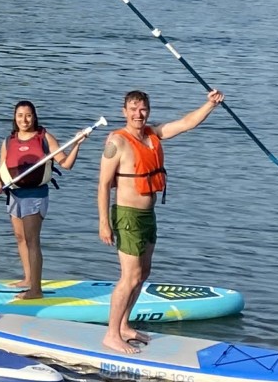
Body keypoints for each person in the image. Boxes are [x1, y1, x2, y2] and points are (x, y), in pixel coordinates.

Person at [94, 87, 222, 354]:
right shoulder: (117, 142)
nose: (138, 114)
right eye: (132, 109)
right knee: (128, 277)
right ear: (124, 112)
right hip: (127, 216)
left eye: (142, 109)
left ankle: (125, 326)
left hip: (148, 215)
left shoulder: (153, 135)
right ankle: (111, 334)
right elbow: (104, 185)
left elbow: (187, 123)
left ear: (148, 111)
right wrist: (104, 223)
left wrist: (210, 104)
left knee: (143, 274)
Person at [0, 99, 80, 299]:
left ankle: (36, 290)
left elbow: (66, 164)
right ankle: (28, 279)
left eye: (28, 115)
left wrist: (76, 144)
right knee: (20, 237)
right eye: (20, 115)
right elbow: (1, 167)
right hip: (14, 194)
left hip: (35, 196)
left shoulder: (45, 138)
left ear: (34, 117)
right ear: (15, 118)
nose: (24, 120)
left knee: (32, 240)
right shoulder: (8, 141)